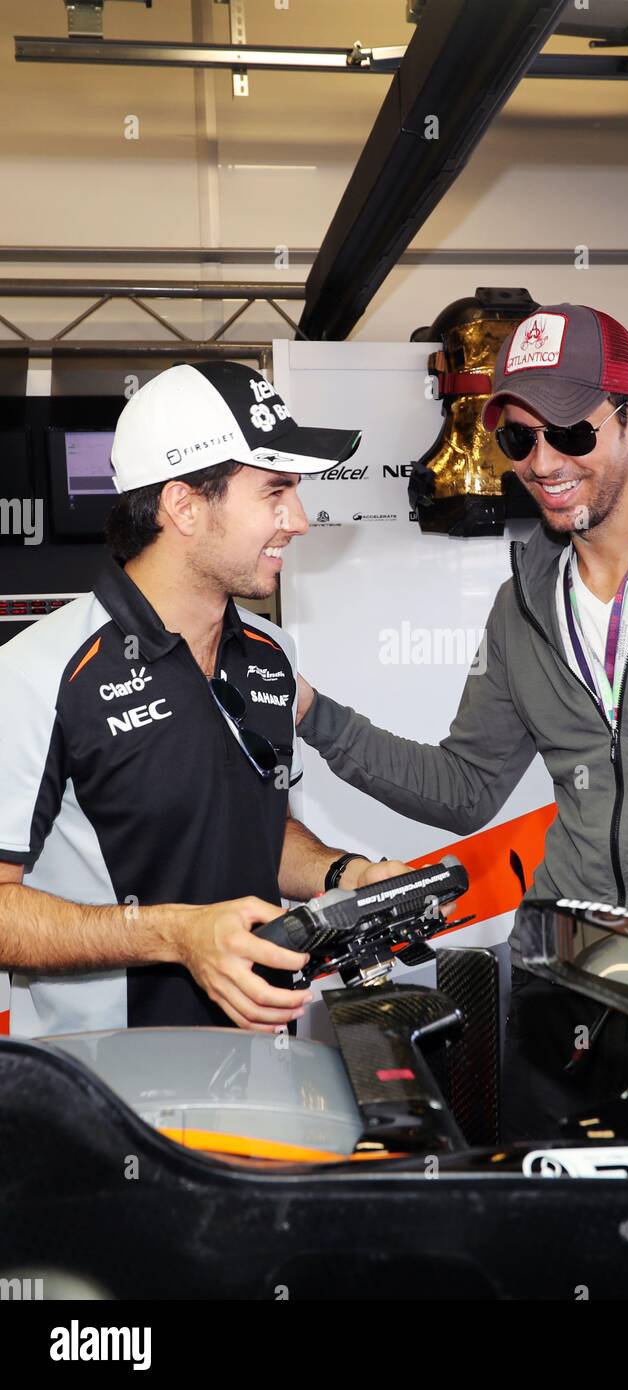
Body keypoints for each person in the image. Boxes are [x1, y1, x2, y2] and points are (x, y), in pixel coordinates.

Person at [294, 303, 628, 1143]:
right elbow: (465, 786)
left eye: (570, 434)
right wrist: (313, 714)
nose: (543, 462)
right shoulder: (525, 604)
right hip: (561, 991)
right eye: (518, 440)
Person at [0, 360, 411, 1037]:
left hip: (262, 1066)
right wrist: (177, 935)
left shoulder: (274, 655)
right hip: (103, 1094)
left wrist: (345, 873)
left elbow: (251, 825)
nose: (299, 521)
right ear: (184, 505)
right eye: (274, 492)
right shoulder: (38, 673)